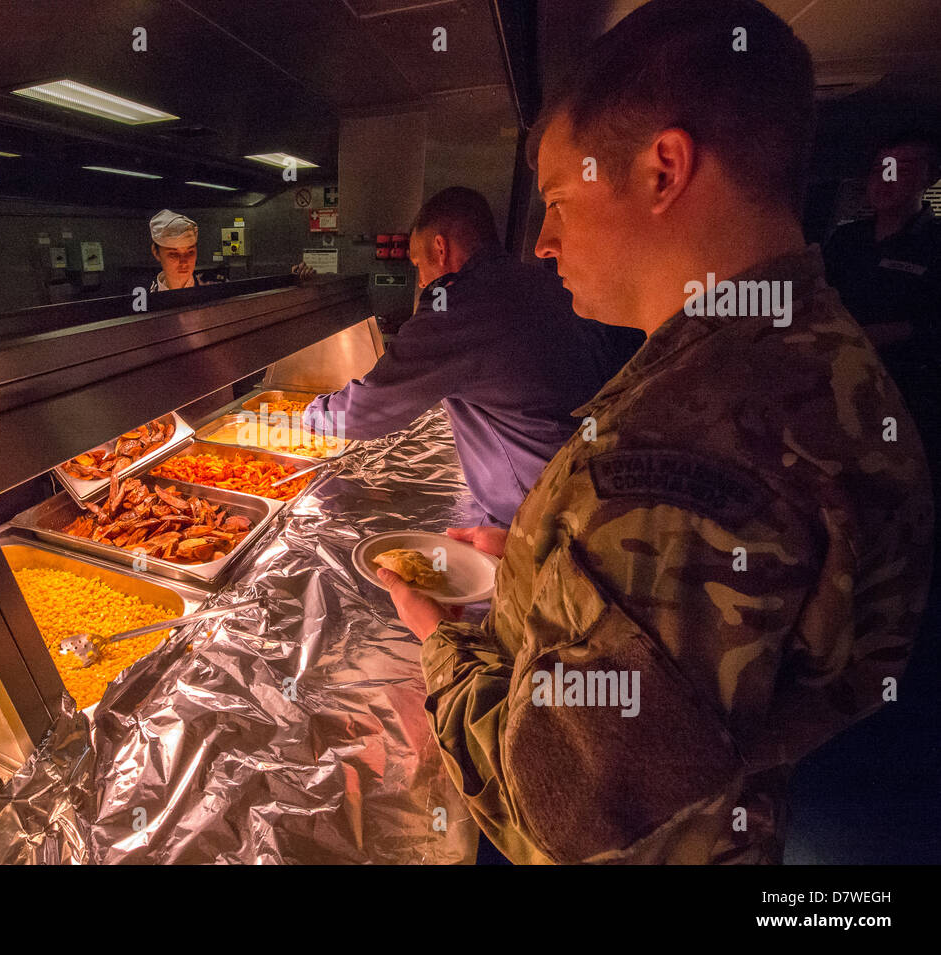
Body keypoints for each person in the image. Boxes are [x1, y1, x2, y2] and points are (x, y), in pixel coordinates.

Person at [380, 0, 933, 864]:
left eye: (560, 197)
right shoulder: (807, 346)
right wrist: (537, 553)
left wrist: (439, 638)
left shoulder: (682, 450)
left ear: (663, 170)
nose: (544, 241)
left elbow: (557, 808)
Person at [302, 186, 641, 528]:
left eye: (419, 265)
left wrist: (306, 418)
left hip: (545, 510)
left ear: (440, 247)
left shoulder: (460, 305)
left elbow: (366, 411)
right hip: (592, 486)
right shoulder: (536, 281)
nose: (420, 281)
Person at [823, 131, 941, 500]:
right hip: (840, 383)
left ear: (930, 177)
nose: (885, 177)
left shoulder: (935, 242)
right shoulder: (845, 239)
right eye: (879, 167)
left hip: (909, 393)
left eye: (902, 168)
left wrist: (893, 332)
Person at [147, 208, 315, 293]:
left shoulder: (217, 286)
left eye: (190, 252)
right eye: (173, 254)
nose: (184, 261)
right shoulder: (146, 298)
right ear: (156, 253)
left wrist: (294, 282)